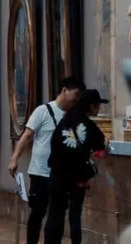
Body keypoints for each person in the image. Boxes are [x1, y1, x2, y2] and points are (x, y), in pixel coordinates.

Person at [7, 77, 85, 244]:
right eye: (76, 94)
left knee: (58, 213)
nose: (77, 99)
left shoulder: (75, 115)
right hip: (40, 172)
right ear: (64, 90)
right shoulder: (42, 111)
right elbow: (26, 136)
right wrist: (14, 159)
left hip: (62, 175)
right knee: (38, 211)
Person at [44, 89, 109, 244]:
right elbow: (100, 152)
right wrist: (105, 147)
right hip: (77, 178)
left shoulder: (64, 121)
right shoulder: (90, 126)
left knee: (55, 213)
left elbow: (54, 145)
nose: (99, 108)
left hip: (57, 175)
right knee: (75, 216)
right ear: (91, 106)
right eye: (98, 105)